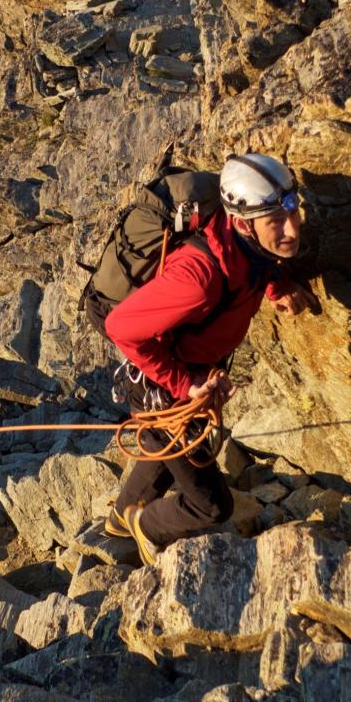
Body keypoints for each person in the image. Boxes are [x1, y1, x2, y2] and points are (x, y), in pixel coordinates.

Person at [102, 154, 314, 565]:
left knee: (162, 446)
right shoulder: (197, 279)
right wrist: (186, 384)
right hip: (164, 385)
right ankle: (146, 526)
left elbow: (256, 265)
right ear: (242, 222)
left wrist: (277, 286)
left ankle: (119, 522)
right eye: (276, 220)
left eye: (293, 212)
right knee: (212, 506)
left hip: (187, 374)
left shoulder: (247, 242)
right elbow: (120, 327)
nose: (292, 228)